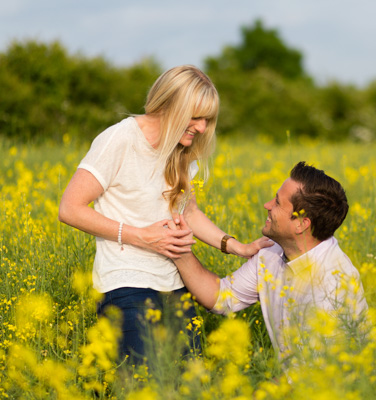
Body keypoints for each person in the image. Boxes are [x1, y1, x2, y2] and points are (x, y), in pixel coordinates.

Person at [58, 65, 270, 364]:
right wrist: (142, 237)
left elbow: (189, 212)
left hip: (174, 283)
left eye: (208, 120)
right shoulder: (119, 139)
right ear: (169, 105)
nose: (201, 128)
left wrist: (237, 247)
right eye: (195, 117)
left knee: (187, 385)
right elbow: (70, 208)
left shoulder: (181, 152)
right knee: (142, 385)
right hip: (126, 284)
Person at [172, 161, 368, 365]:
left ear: (301, 223)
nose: (267, 205)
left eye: (277, 202)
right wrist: (178, 249)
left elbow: (313, 375)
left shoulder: (332, 284)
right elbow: (222, 297)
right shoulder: (273, 251)